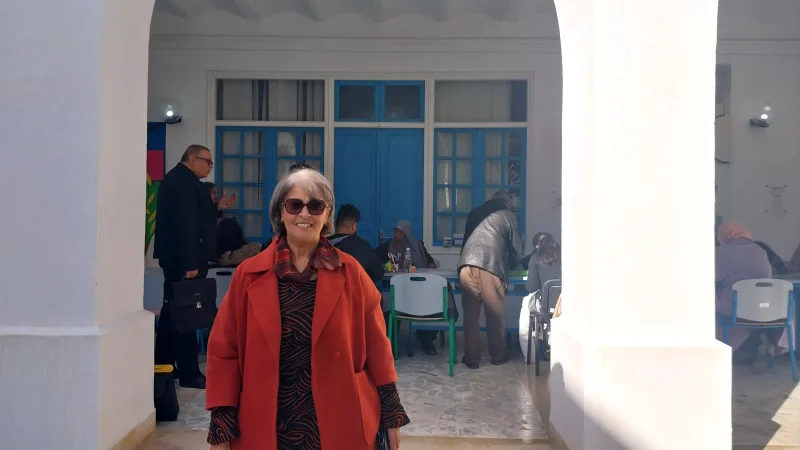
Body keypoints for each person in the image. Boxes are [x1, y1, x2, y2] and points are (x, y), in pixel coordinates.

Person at [205, 169, 409, 450]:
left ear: (327, 215)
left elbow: (378, 347)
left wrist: (391, 411)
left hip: (341, 419)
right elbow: (224, 352)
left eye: (315, 206)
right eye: (294, 205)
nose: (304, 214)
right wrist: (221, 424)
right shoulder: (248, 275)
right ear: (280, 213)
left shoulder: (351, 272)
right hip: (266, 423)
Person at [153, 144, 217, 389]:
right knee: (187, 315)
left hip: (179, 260)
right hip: (183, 263)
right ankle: (190, 373)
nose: (209, 167)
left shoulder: (182, 180)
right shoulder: (182, 183)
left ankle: (163, 365)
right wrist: (190, 264)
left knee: (173, 313)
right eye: (207, 162)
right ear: (192, 159)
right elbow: (185, 225)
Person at [458, 190, 524, 369]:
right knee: (494, 314)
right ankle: (498, 355)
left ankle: (471, 358)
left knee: (471, 315)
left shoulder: (474, 212)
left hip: (466, 264)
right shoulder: (508, 215)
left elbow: (465, 242)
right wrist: (514, 266)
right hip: (491, 265)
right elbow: (517, 249)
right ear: (507, 203)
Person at [715, 221, 777, 371]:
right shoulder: (760, 251)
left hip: (733, 308)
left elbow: (714, 277)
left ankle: (729, 351)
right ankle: (757, 346)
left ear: (724, 235)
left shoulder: (720, 253)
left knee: (713, 313)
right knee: (749, 317)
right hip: (764, 308)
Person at [376, 220, 440, 355]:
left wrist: (431, 263)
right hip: (398, 289)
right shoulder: (388, 246)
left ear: (407, 233)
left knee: (432, 305)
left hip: (421, 287)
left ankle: (427, 341)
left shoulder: (418, 246)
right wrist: (385, 266)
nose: (397, 234)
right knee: (393, 306)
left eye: (401, 232)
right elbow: (374, 260)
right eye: (395, 231)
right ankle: (391, 344)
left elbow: (428, 260)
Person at [204, 182, 261, 266]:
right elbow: (208, 224)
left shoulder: (214, 211)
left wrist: (219, 208)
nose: (216, 195)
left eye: (217, 193)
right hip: (223, 254)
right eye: (214, 193)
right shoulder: (201, 211)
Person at [328, 204, 385, 283]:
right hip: (357, 289)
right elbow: (378, 272)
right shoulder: (362, 246)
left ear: (335, 223)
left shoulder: (323, 244)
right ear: (354, 226)